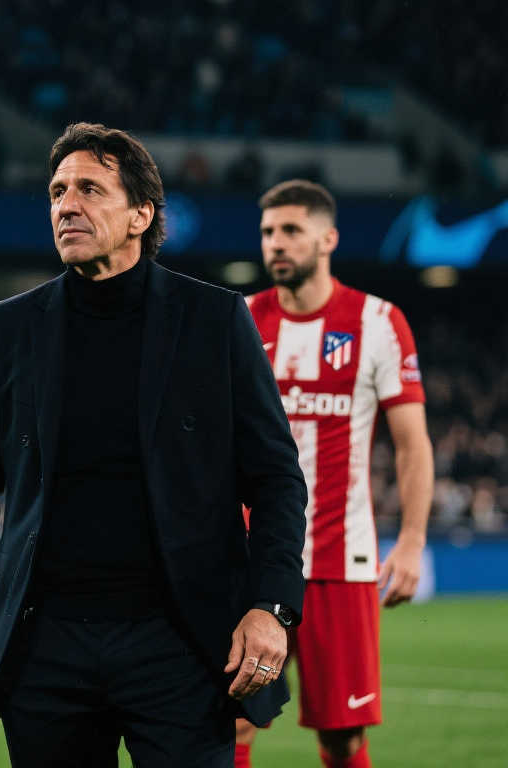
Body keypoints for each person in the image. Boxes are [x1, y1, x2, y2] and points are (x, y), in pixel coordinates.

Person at [0, 122, 308, 767]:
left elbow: (276, 477)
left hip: (182, 646)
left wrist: (272, 606)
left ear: (142, 214)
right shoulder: (7, 329)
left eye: (89, 189)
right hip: (45, 651)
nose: (66, 205)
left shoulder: (214, 320)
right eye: (57, 191)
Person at [238, 180, 434, 768]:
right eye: (268, 232)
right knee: (231, 721)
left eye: (291, 230)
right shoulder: (240, 320)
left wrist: (413, 540)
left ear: (328, 239)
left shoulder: (378, 322)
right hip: (249, 561)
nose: (276, 243)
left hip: (339, 564)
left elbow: (412, 443)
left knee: (342, 736)